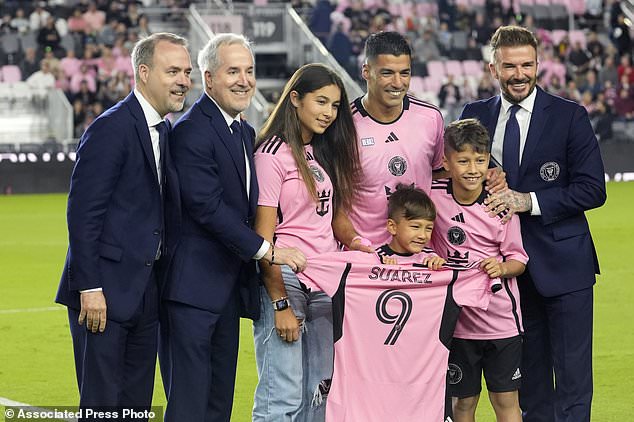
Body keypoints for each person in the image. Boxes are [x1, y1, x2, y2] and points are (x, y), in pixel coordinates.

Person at [460, 26, 606, 422]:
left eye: (527, 64)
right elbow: (458, 180)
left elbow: (593, 189)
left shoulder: (569, 115)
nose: (519, 73)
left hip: (566, 266)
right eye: (509, 66)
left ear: (538, 65)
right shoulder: (474, 115)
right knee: (530, 379)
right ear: (494, 67)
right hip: (509, 272)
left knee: (574, 377)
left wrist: (529, 201)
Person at [162, 33, 306, 422]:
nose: (244, 80)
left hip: (225, 289)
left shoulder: (243, 131)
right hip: (191, 291)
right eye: (233, 71)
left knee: (218, 401)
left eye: (249, 71)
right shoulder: (191, 129)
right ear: (208, 79)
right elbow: (207, 207)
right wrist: (266, 250)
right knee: (190, 403)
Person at [55, 32, 192, 413]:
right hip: (103, 294)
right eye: (173, 71)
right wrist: (89, 287)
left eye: (187, 71)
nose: (184, 80)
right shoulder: (110, 128)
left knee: (135, 406)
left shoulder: (165, 130)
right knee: (102, 406)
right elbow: (83, 214)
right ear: (143, 73)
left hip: (144, 292)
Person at [296, 186, 499, 421]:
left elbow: (480, 276)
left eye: (429, 228)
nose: (423, 235)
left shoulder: (439, 272)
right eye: (415, 226)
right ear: (392, 227)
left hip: (421, 395)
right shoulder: (361, 265)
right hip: (365, 395)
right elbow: (306, 263)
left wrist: (491, 269)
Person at [251, 63, 362, 421]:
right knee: (281, 397)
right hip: (286, 281)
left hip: (327, 282)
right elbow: (263, 238)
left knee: (319, 393)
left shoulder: (324, 151)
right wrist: (280, 303)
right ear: (295, 99)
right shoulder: (271, 153)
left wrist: (358, 243)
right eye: (321, 102)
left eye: (335, 105)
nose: (329, 113)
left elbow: (333, 219)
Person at [332, 31, 505, 251]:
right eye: (387, 73)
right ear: (366, 71)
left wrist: (488, 178)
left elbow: (442, 173)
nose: (397, 83)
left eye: (405, 73)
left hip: (421, 256)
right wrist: (357, 243)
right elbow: (334, 203)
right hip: (367, 256)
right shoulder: (343, 125)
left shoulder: (430, 117)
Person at [429, 119, 528, 422]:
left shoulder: (499, 205)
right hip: (458, 326)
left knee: (505, 402)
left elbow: (519, 261)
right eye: (463, 160)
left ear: (489, 162)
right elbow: (421, 236)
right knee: (462, 404)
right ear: (446, 161)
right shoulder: (433, 196)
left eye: (480, 160)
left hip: (501, 325)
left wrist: (501, 268)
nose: (472, 169)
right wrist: (430, 256)